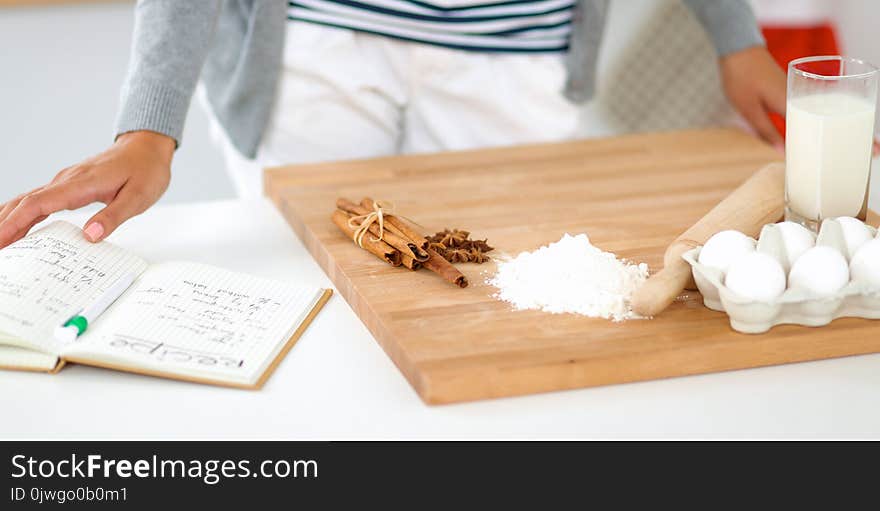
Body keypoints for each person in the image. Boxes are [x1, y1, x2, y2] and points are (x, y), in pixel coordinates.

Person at [0, 0, 787, 248]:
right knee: (310, 295)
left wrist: (734, 34)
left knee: (491, 287)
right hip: (315, 49)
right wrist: (149, 123)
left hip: (515, 56)